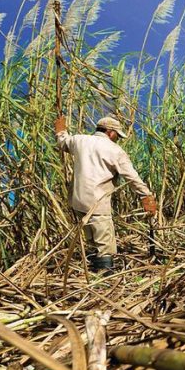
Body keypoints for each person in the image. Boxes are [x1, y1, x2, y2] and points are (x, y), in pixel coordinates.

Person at [54, 115, 157, 272]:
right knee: (104, 244)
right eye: (117, 135)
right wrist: (146, 196)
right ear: (110, 132)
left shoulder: (79, 140)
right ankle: (105, 278)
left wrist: (61, 130)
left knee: (90, 240)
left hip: (77, 201)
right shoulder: (115, 150)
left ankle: (92, 272)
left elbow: (63, 142)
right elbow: (132, 177)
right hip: (97, 202)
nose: (118, 139)